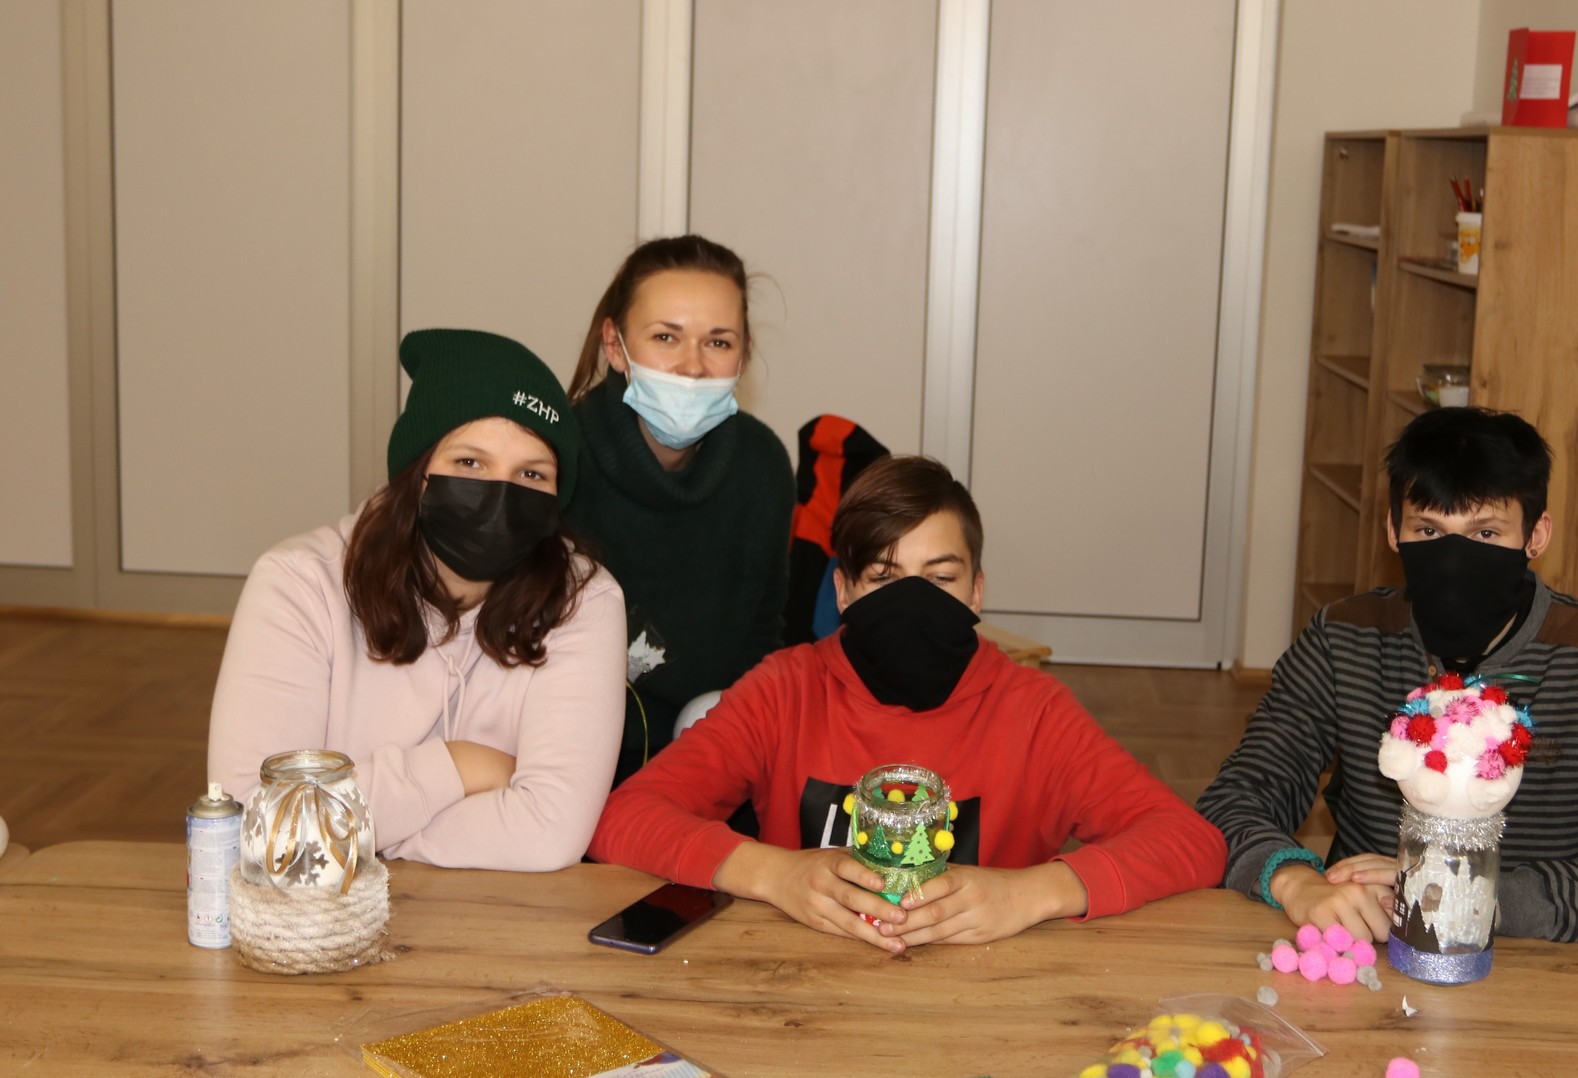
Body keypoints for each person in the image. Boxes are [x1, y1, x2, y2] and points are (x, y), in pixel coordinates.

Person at [588, 456, 1225, 952]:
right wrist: (773, 874)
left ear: (977, 592)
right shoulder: (785, 691)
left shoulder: (1034, 713)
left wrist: (1035, 892)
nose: (912, 600)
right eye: (884, 577)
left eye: (940, 577)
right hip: (800, 991)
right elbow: (624, 817)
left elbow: (1190, 842)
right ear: (842, 591)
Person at [1200, 407, 1578, 944]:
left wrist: (1480, 899)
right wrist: (1292, 879)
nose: (1454, 558)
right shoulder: (1343, 638)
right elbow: (1236, 798)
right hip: (1372, 944)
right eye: (1428, 529)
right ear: (1393, 530)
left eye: (1486, 533)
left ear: (1536, 536)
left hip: (1544, 959)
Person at [207, 329, 627, 871]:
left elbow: (550, 835)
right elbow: (254, 825)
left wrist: (357, 834)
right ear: (416, 472)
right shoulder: (299, 585)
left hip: (492, 915)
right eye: (470, 463)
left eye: (531, 474)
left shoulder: (584, 602)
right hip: (322, 919)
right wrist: (456, 767)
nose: (500, 494)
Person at [565, 235, 794, 783]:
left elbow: (764, 642)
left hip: (709, 759)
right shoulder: (555, 460)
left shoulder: (762, 465)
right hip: (570, 756)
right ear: (615, 346)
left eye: (718, 342)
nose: (692, 366)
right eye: (666, 337)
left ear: (743, 354)